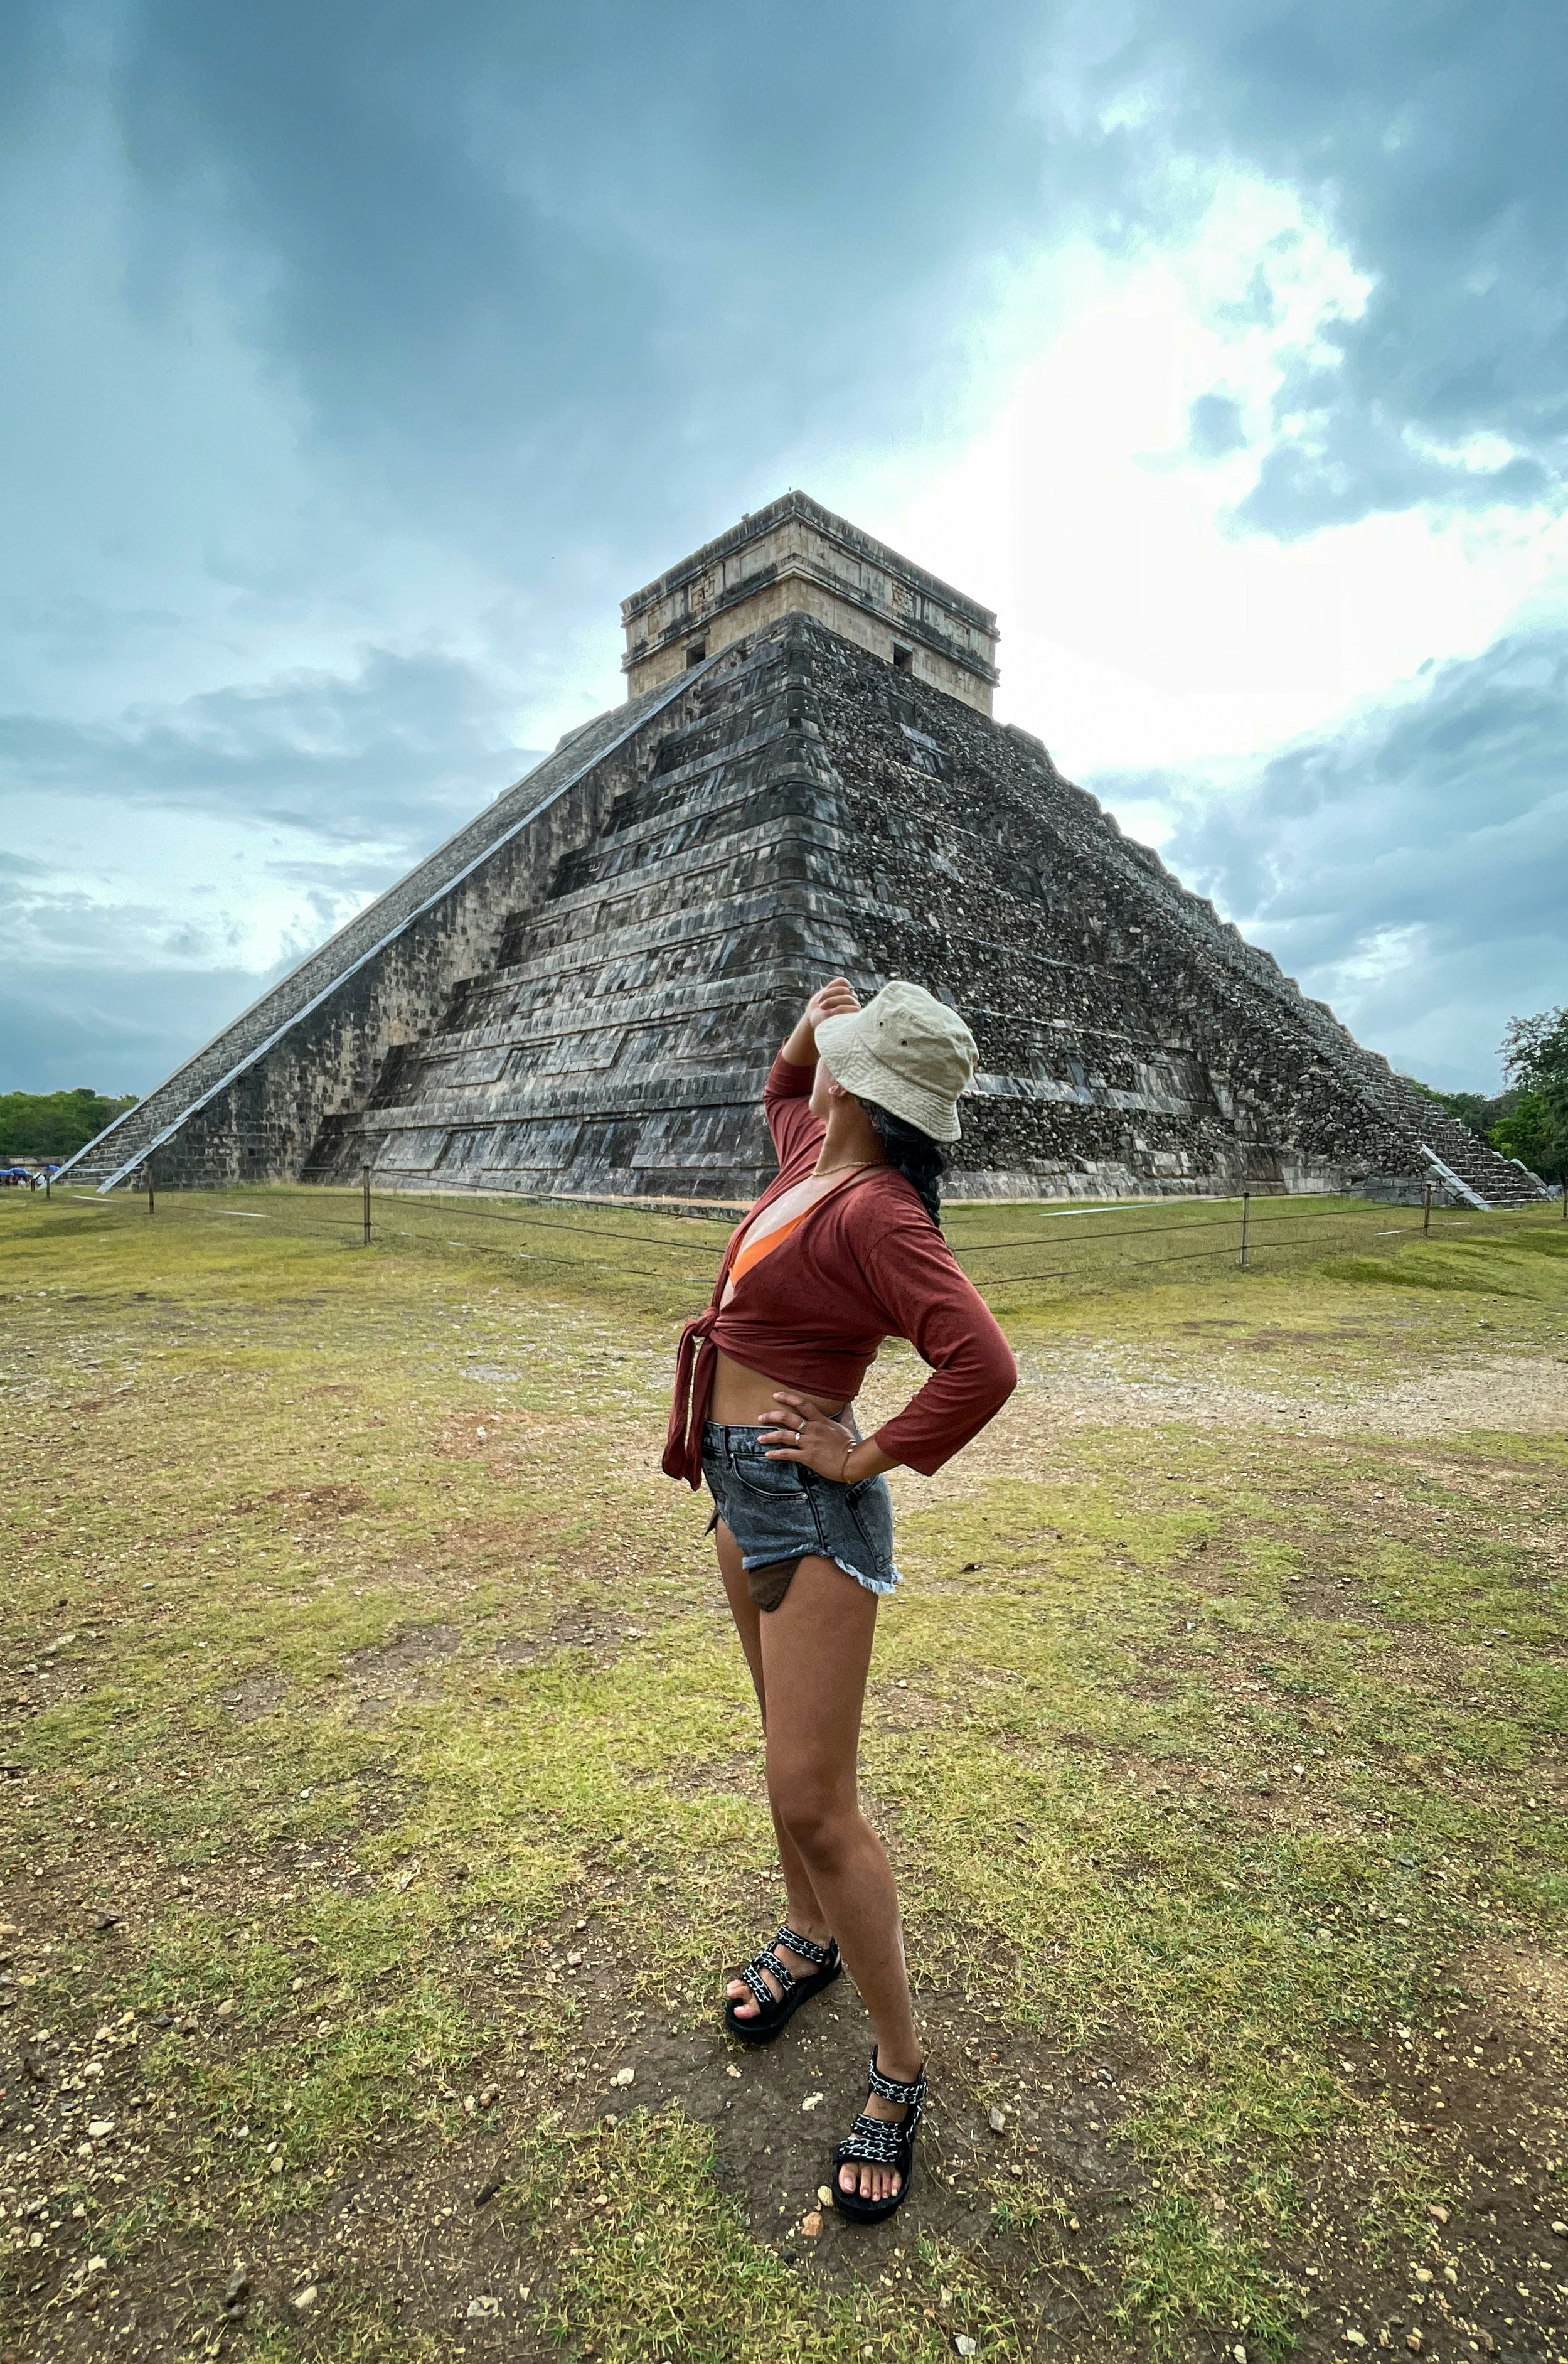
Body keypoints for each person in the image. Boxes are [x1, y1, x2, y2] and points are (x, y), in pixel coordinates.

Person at [663, 976, 1017, 2220]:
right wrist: (812, 1024)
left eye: (839, 1054)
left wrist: (861, 1456)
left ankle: (899, 2068)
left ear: (863, 1086)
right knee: (781, 1766)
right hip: (737, 1484)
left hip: (808, 1508)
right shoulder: (813, 1148)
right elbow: (776, 1082)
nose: (815, 1063)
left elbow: (982, 1363)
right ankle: (806, 1939)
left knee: (815, 1801)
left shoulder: (875, 1213)